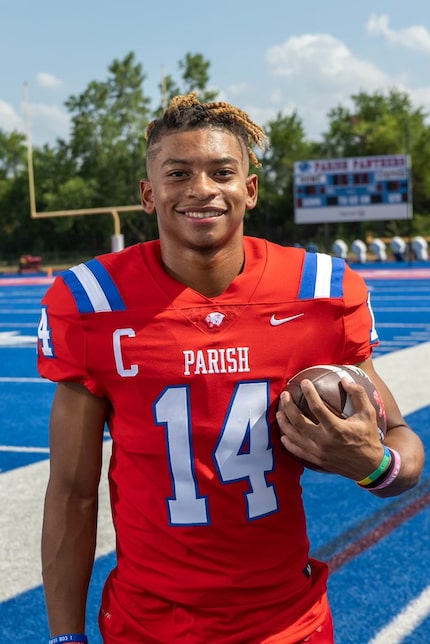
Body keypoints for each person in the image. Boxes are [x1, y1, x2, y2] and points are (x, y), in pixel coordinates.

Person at [37, 92, 424, 644]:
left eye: (222, 171)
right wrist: (64, 637)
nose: (201, 189)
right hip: (149, 625)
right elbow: (72, 492)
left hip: (289, 622)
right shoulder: (93, 302)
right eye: (178, 174)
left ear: (250, 188)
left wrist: (373, 464)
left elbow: (403, 449)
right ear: (149, 194)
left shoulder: (317, 293)